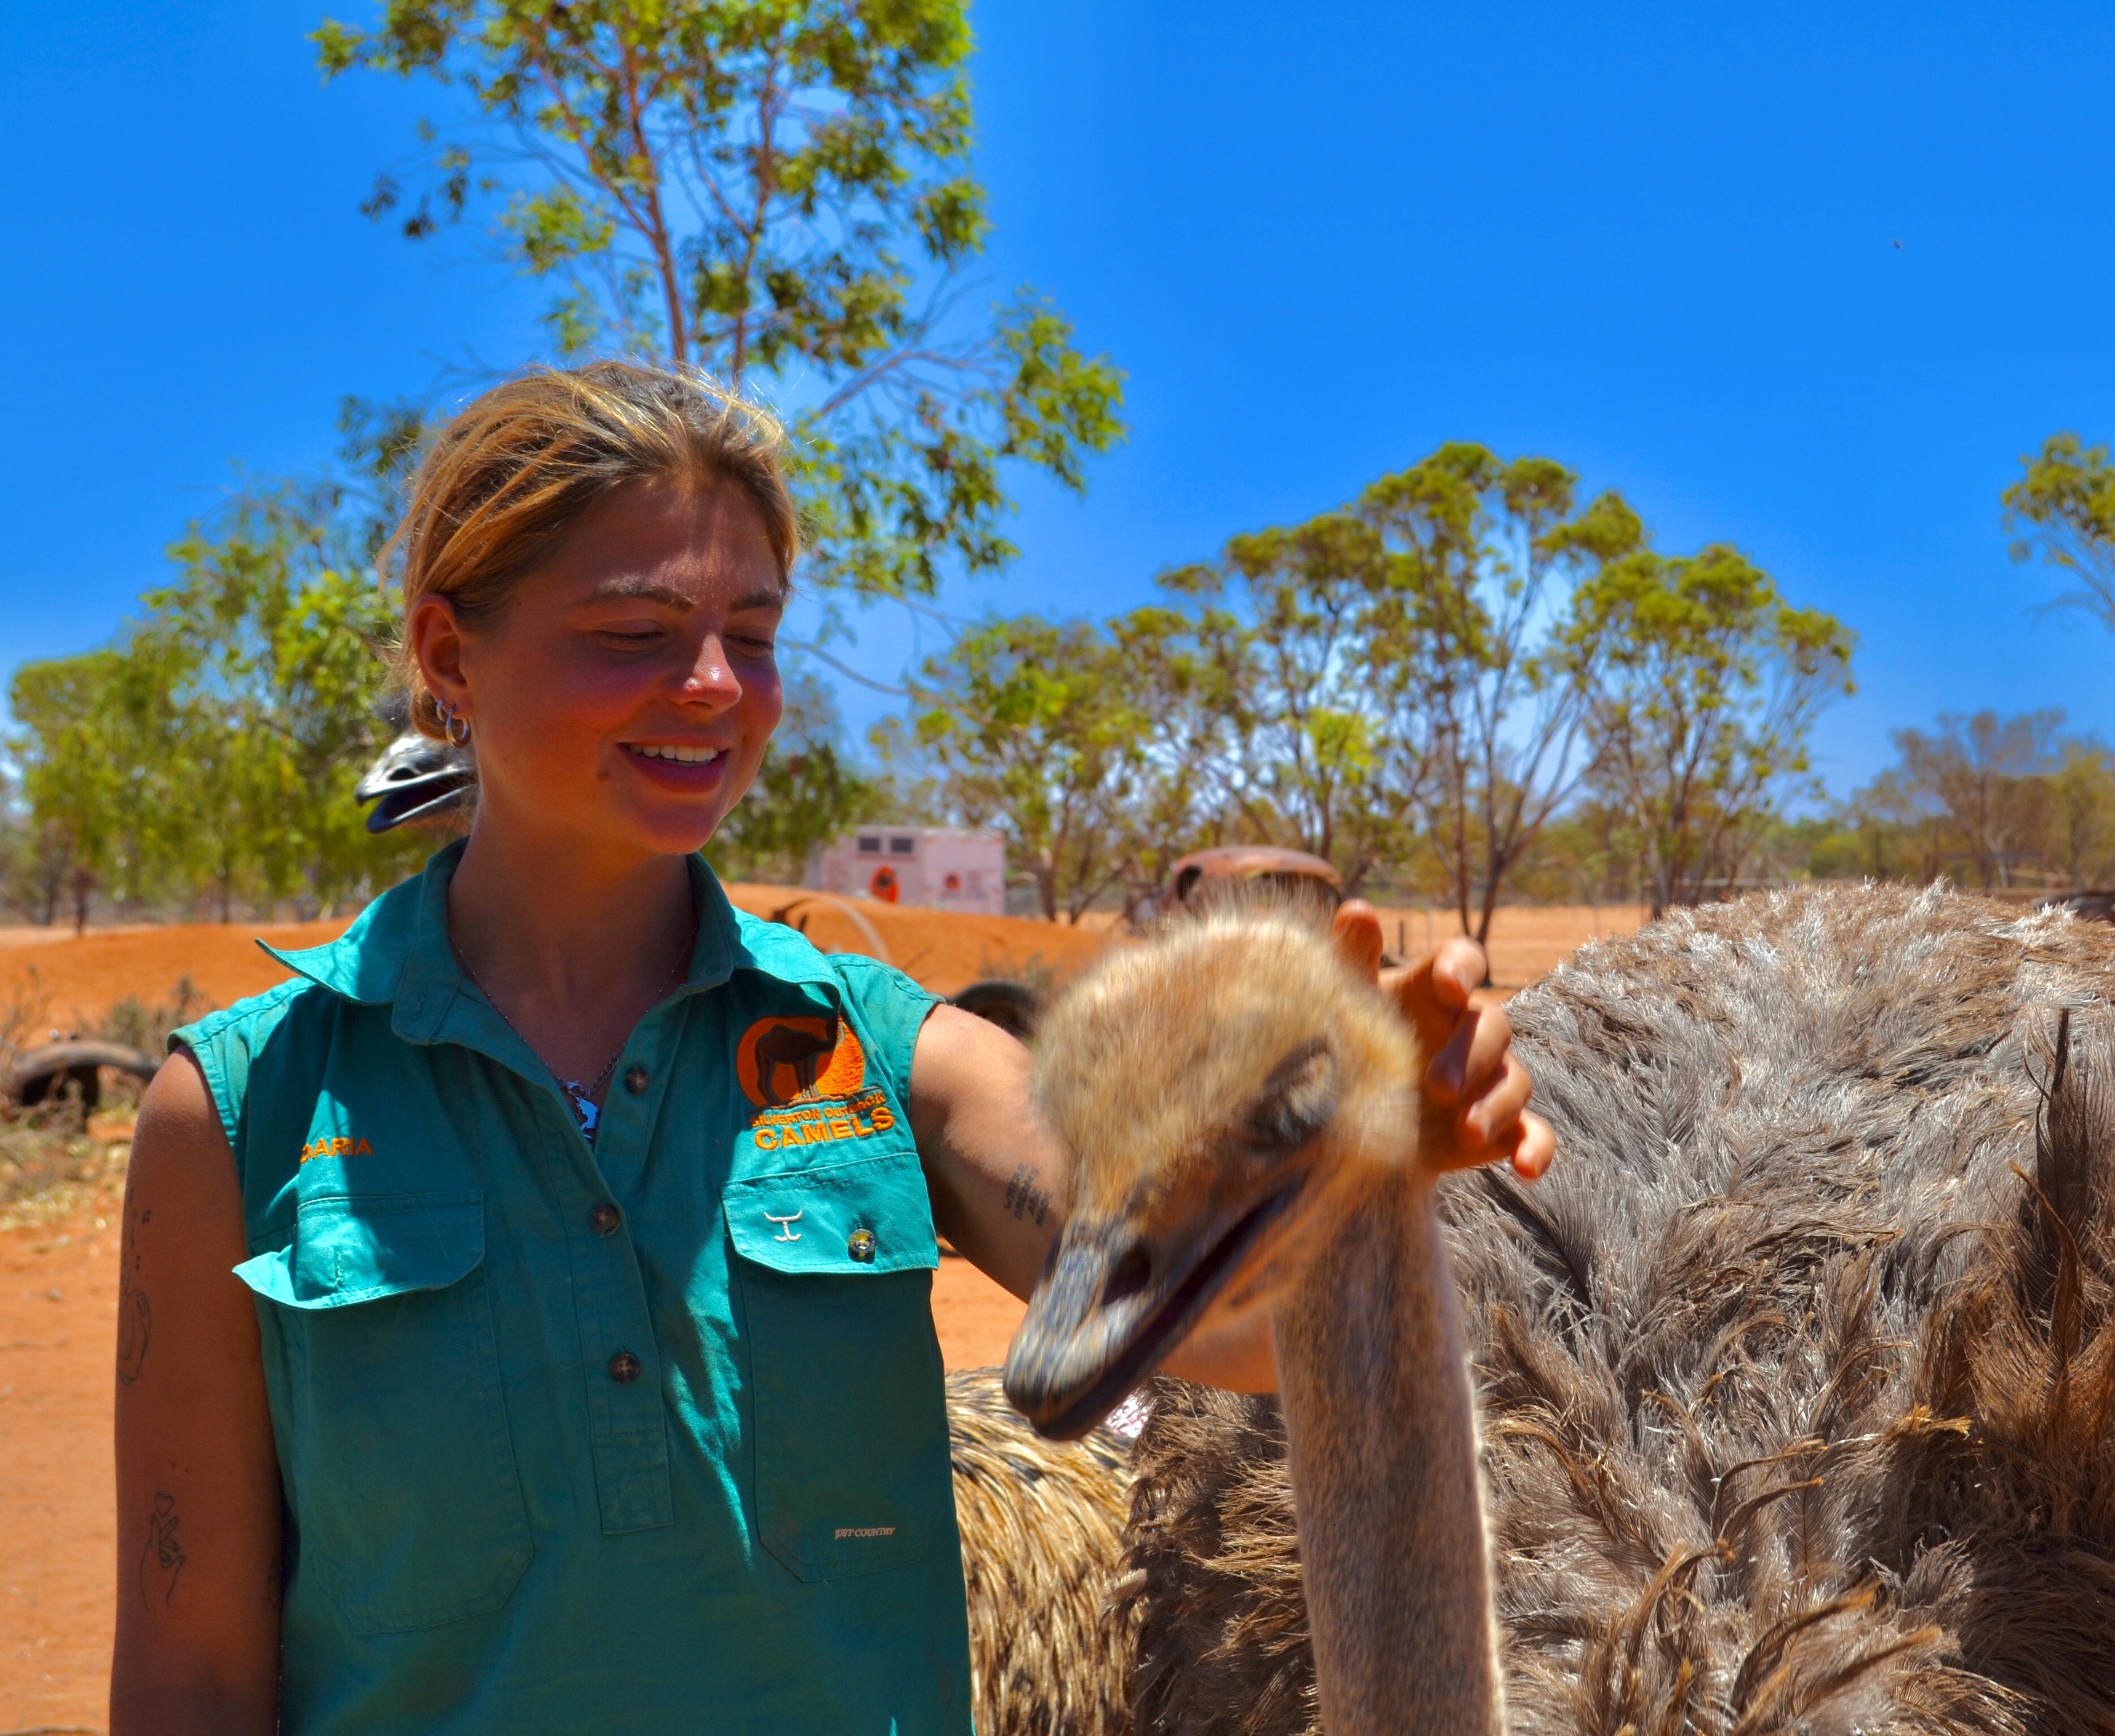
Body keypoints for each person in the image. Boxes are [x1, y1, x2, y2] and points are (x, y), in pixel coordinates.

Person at [109, 361, 1554, 1733]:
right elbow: (193, 1671)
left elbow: (1207, 1322)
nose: (718, 690)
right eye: (635, 636)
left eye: (753, 634)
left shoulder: (881, 1054)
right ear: (448, 654)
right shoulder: (240, 1110)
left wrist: (1346, 1177)